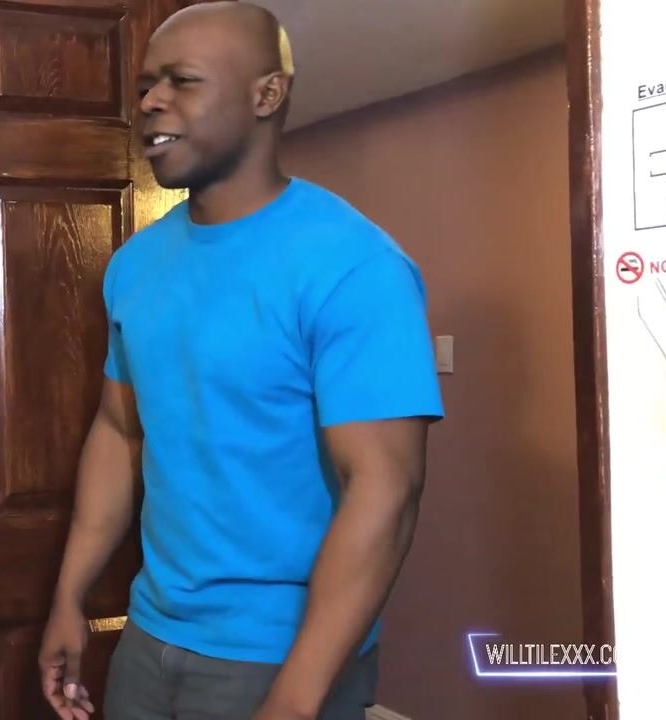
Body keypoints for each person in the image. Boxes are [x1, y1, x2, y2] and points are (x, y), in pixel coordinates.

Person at [37, 2, 444, 719]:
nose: (150, 102)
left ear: (267, 94)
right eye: (146, 86)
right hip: (150, 639)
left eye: (183, 80)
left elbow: (386, 489)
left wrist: (296, 698)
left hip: (280, 659)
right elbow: (119, 430)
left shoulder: (354, 266)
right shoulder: (135, 265)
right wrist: (69, 596)